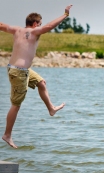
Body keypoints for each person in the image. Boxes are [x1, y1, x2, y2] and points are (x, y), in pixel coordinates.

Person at [0, 5, 73, 148]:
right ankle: (7, 135)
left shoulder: (16, 30)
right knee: (16, 105)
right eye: (39, 24)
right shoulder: (34, 32)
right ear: (35, 24)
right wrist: (65, 14)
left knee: (41, 82)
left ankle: (51, 108)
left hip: (21, 70)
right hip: (19, 72)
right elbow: (50, 26)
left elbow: (2, 25)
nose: (40, 27)